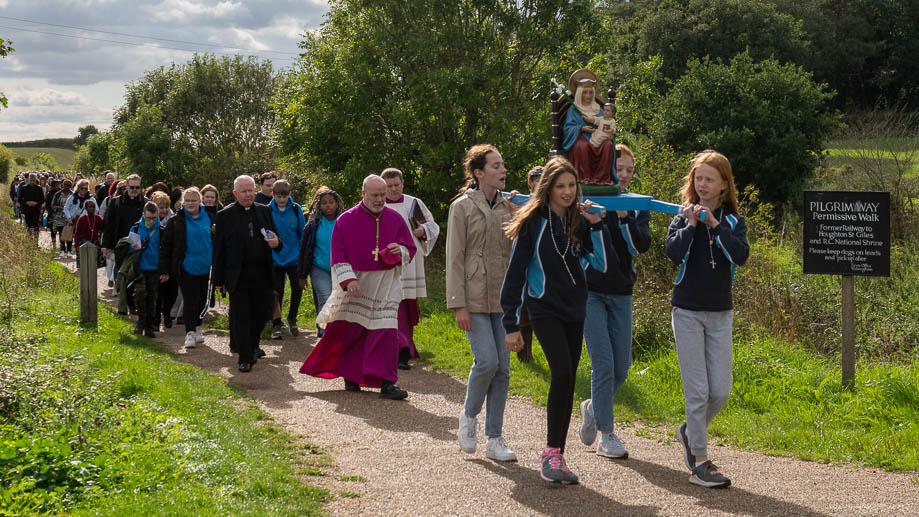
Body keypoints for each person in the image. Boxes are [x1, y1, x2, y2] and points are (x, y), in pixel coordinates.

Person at [502, 156, 607, 484]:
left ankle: (557, 455)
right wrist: (511, 324)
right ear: (547, 188)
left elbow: (601, 264)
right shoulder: (533, 221)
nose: (566, 191)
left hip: (575, 309)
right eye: (560, 186)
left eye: (571, 185)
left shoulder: (580, 221)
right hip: (543, 308)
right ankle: (551, 453)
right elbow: (515, 273)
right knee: (561, 373)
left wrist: (598, 225)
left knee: (568, 379)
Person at [666, 150, 749, 489]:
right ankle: (700, 460)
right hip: (686, 312)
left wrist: (714, 226)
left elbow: (740, 256)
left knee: (721, 392)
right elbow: (672, 254)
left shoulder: (733, 222)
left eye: (709, 179)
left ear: (724, 186)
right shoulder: (681, 217)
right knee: (698, 393)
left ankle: (688, 431)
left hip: (720, 315)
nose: (702, 184)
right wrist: (691, 225)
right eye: (698, 178)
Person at [299, 175, 416, 400]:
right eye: (375, 195)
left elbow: (409, 249)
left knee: (387, 333)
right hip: (357, 284)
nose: (380, 199)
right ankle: (351, 376)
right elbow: (338, 254)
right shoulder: (346, 220)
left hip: (385, 283)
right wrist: (349, 280)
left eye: (383, 195)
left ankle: (387, 383)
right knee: (353, 332)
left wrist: (398, 250)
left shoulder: (395, 218)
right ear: (364, 194)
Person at [578, 144, 651, 459]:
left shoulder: (635, 206)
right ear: (605, 171)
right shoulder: (586, 202)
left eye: (629, 170)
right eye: (617, 169)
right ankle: (608, 435)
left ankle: (593, 406)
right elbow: (577, 246)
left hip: (622, 292)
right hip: (590, 293)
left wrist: (623, 218)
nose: (623, 175)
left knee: (622, 368)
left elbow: (639, 247)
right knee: (604, 365)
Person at [446, 144, 517, 462]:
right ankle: (468, 418)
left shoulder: (509, 207)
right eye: (495, 166)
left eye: (503, 165)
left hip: (503, 299)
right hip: (472, 298)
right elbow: (454, 258)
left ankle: (495, 438)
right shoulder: (461, 207)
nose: (503, 170)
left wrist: (520, 216)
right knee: (487, 361)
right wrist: (458, 303)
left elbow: (519, 251)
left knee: (503, 369)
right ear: (478, 173)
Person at [212, 175, 281, 372]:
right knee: (241, 316)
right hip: (238, 274)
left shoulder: (265, 211)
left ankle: (252, 346)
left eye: (251, 190)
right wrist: (218, 279)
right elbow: (219, 250)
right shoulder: (224, 216)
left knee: (261, 315)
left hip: (262, 273)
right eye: (244, 191)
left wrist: (277, 243)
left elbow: (275, 238)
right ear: (235, 193)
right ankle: (244, 356)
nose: (248, 194)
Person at [381, 168, 440, 370]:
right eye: (389, 186)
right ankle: (400, 349)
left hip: (411, 263)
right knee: (392, 306)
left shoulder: (414, 203)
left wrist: (423, 230)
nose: (394, 189)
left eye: (397, 184)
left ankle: (406, 346)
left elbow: (434, 226)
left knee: (407, 306)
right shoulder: (377, 204)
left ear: (403, 183)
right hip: (386, 264)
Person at [159, 187, 214, 349]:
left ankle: (198, 327)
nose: (190, 203)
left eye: (193, 201)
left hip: (207, 266)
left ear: (200, 201)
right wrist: (164, 269)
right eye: (187, 201)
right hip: (186, 267)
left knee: (203, 300)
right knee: (190, 299)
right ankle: (189, 332)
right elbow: (166, 246)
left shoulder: (211, 217)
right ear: (182, 203)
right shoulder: (176, 221)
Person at [297, 186, 344, 337]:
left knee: (340, 299)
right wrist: (302, 275)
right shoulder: (312, 225)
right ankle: (324, 330)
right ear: (319, 205)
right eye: (324, 203)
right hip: (319, 268)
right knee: (324, 296)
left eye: (331, 202)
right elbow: (304, 251)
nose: (328, 205)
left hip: (340, 267)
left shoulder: (344, 222)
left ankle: (336, 328)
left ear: (337, 204)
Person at [103, 174, 148, 315]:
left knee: (138, 275)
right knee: (124, 276)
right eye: (132, 187)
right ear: (126, 187)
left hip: (141, 246)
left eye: (137, 187)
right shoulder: (116, 202)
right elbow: (109, 225)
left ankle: (136, 303)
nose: (135, 190)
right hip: (121, 246)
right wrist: (105, 245)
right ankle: (128, 303)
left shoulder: (145, 203)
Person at [562, 70, 615, 185]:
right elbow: (567, 129)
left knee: (608, 145)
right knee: (582, 145)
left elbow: (607, 122)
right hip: (581, 137)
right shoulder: (573, 110)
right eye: (585, 93)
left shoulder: (598, 109)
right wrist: (581, 128)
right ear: (580, 93)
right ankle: (583, 177)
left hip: (598, 138)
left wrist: (605, 130)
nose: (588, 96)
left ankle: (601, 179)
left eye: (590, 93)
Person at [514, 165, 545, 364]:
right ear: (530, 182)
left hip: (544, 265)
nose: (539, 183)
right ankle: (524, 355)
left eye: (543, 179)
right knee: (523, 309)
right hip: (523, 262)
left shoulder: (553, 202)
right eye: (536, 179)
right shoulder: (519, 202)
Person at [268, 179, 306, 338]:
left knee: (297, 288)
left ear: (289, 195)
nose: (281, 199)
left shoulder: (296, 210)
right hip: (275, 258)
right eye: (278, 196)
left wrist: (303, 258)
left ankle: (292, 317)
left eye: (284, 196)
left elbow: (302, 234)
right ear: (273, 195)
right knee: (276, 291)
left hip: (294, 258)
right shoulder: (267, 210)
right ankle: (276, 323)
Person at [129, 201, 163, 338]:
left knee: (152, 297)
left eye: (154, 218)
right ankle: (140, 321)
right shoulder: (136, 228)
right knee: (140, 294)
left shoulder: (161, 229)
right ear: (143, 215)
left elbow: (164, 249)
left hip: (155, 268)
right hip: (140, 267)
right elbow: (130, 247)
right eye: (148, 218)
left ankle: (150, 325)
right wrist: (135, 247)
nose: (151, 221)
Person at [151, 192, 177, 329]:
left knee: (171, 292)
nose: (164, 210)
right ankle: (156, 319)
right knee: (158, 292)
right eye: (161, 207)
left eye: (166, 206)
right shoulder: (149, 221)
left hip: (171, 260)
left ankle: (166, 313)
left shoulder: (174, 220)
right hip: (155, 261)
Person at [73, 198, 103, 268]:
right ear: (86, 208)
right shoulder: (82, 219)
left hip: (95, 241)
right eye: (90, 207)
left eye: (93, 207)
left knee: (95, 262)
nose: (92, 208)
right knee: (83, 263)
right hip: (84, 241)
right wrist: (76, 244)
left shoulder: (98, 218)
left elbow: (103, 228)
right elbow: (77, 233)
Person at [18, 173, 45, 242]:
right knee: (28, 225)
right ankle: (29, 240)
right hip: (27, 209)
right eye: (31, 180)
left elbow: (42, 199)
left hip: (36, 209)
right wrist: (27, 203)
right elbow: (20, 199)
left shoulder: (39, 188)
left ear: (36, 180)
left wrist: (36, 203)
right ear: (28, 180)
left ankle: (36, 241)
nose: (32, 182)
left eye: (33, 180)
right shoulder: (24, 188)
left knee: (36, 225)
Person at [50, 180, 73, 257]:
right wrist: (59, 208)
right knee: (61, 233)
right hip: (59, 216)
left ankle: (69, 250)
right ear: (63, 185)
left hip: (69, 217)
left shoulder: (73, 194)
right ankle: (62, 250)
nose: (67, 186)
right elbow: (52, 205)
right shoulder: (57, 194)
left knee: (69, 233)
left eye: (68, 185)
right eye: (65, 184)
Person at [44, 179, 62, 250]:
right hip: (52, 215)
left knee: (61, 230)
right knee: (53, 230)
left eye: (58, 185)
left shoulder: (62, 193)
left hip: (61, 215)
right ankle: (54, 244)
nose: (58, 186)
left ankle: (61, 244)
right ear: (53, 186)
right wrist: (52, 212)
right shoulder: (50, 194)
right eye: (56, 185)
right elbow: (47, 205)